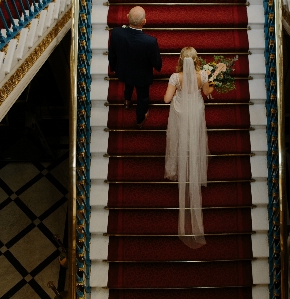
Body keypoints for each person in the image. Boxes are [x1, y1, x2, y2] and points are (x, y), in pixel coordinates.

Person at [163, 47, 214, 249]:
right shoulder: (203, 74)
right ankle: (197, 167)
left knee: (178, 138)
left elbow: (166, 100)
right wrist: (213, 79)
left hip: (182, 112)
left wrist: (176, 93)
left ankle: (175, 165)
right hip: (195, 111)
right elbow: (208, 92)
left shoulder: (175, 77)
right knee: (196, 139)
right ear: (196, 60)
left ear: (180, 60)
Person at [108, 6, 162, 128]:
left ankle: (127, 100)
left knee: (128, 83)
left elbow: (112, 53)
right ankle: (140, 120)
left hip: (124, 71)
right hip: (141, 76)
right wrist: (158, 67)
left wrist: (113, 67)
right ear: (144, 22)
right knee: (142, 97)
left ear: (127, 17)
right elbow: (156, 62)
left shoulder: (116, 33)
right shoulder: (150, 42)